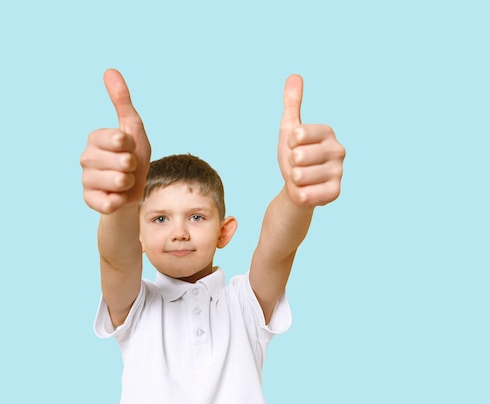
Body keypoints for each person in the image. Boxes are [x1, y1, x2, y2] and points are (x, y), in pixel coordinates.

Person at [80, 68, 346, 403]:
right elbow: (115, 258)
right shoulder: (135, 307)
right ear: (140, 237)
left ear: (225, 231)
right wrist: (120, 205)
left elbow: (277, 248)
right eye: (160, 218)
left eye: (196, 217)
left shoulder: (245, 302)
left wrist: (296, 197)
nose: (179, 233)